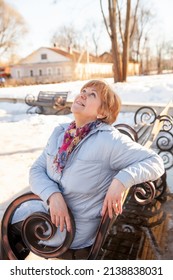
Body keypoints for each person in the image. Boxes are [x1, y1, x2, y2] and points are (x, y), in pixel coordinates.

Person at [11, 79, 164, 258]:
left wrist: (121, 180)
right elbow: (36, 169)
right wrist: (53, 195)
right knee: (11, 232)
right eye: (84, 90)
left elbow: (155, 161)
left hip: (67, 230)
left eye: (92, 94)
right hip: (48, 214)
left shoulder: (108, 141)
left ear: (102, 113)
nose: (83, 94)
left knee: (6, 228)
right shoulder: (61, 133)